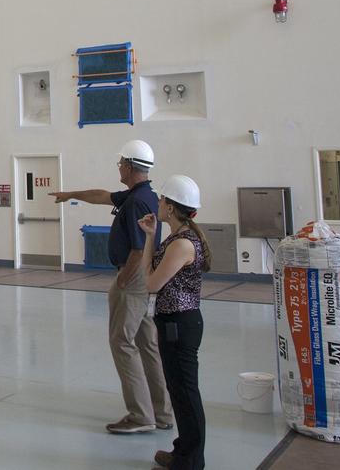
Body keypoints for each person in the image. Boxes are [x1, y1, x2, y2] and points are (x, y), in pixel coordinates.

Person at [50, 139, 173, 434]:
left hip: (133, 277)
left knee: (122, 342)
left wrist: (124, 279)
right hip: (142, 276)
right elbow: (102, 195)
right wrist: (71, 194)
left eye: (120, 163)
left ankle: (141, 415)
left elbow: (137, 246)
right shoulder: (140, 195)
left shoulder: (137, 202)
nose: (118, 167)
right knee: (146, 343)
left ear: (130, 166)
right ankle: (162, 412)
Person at [137, 174, 211, 470]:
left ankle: (191, 460)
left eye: (162, 199)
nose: (158, 202)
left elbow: (152, 283)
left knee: (186, 393)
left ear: (170, 206)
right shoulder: (174, 238)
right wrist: (148, 236)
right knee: (178, 391)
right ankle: (183, 451)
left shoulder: (182, 244)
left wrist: (150, 274)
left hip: (180, 325)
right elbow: (149, 273)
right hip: (172, 323)